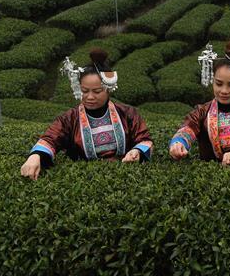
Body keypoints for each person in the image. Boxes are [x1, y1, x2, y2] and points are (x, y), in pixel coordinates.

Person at [20, 49, 153, 180]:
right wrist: (35, 156)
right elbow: (51, 138)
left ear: (108, 90)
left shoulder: (127, 113)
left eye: (97, 91)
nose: (89, 97)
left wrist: (137, 152)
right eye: (84, 90)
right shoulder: (69, 118)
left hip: (125, 177)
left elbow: (144, 139)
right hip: (84, 179)